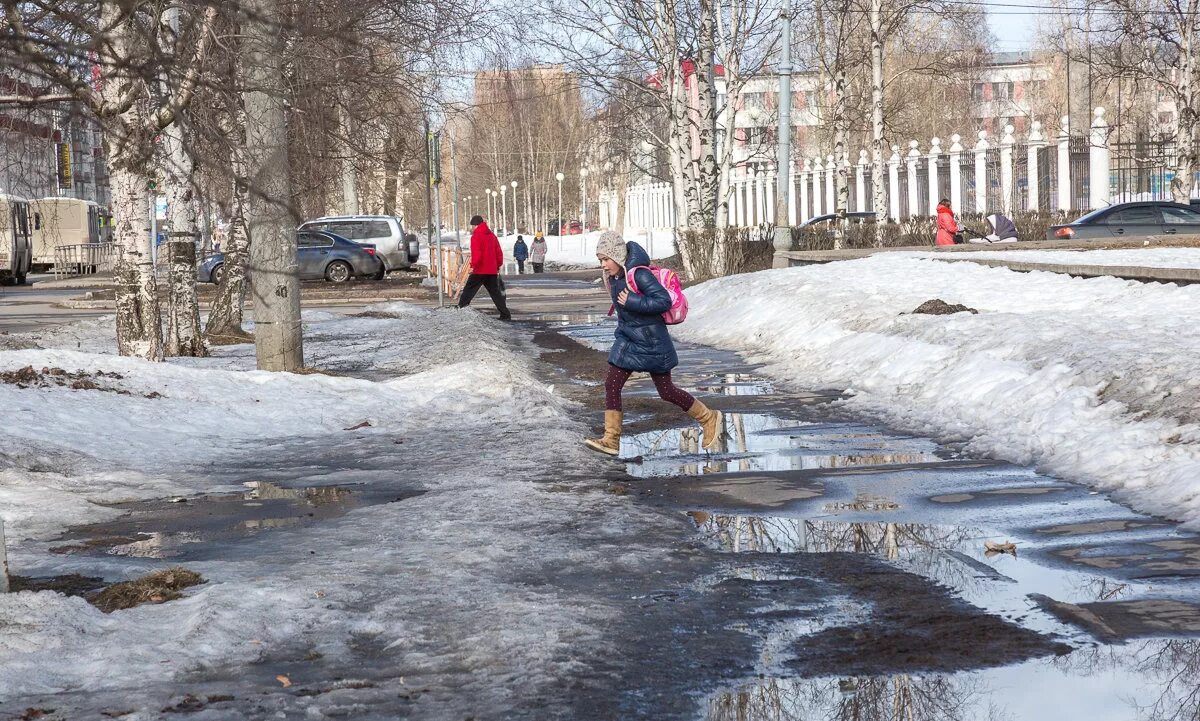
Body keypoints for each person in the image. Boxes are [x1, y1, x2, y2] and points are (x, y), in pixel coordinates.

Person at [584, 231, 721, 457]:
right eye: (600, 260)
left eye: (606, 259)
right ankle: (611, 440)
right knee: (612, 385)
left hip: (651, 342)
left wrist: (633, 300)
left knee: (666, 391)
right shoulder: (616, 277)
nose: (604, 265)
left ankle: (709, 417)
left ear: (617, 256)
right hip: (628, 339)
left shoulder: (639, 275)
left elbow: (662, 301)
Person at [457, 214, 512, 321]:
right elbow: (498, 253)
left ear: (476, 225)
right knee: (495, 293)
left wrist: (473, 266)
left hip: (479, 270)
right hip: (491, 270)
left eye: (472, 226)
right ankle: (505, 314)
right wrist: (497, 266)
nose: (471, 228)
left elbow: (477, 254)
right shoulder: (492, 236)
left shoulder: (476, 237)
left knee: (468, 290)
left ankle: (461, 309)